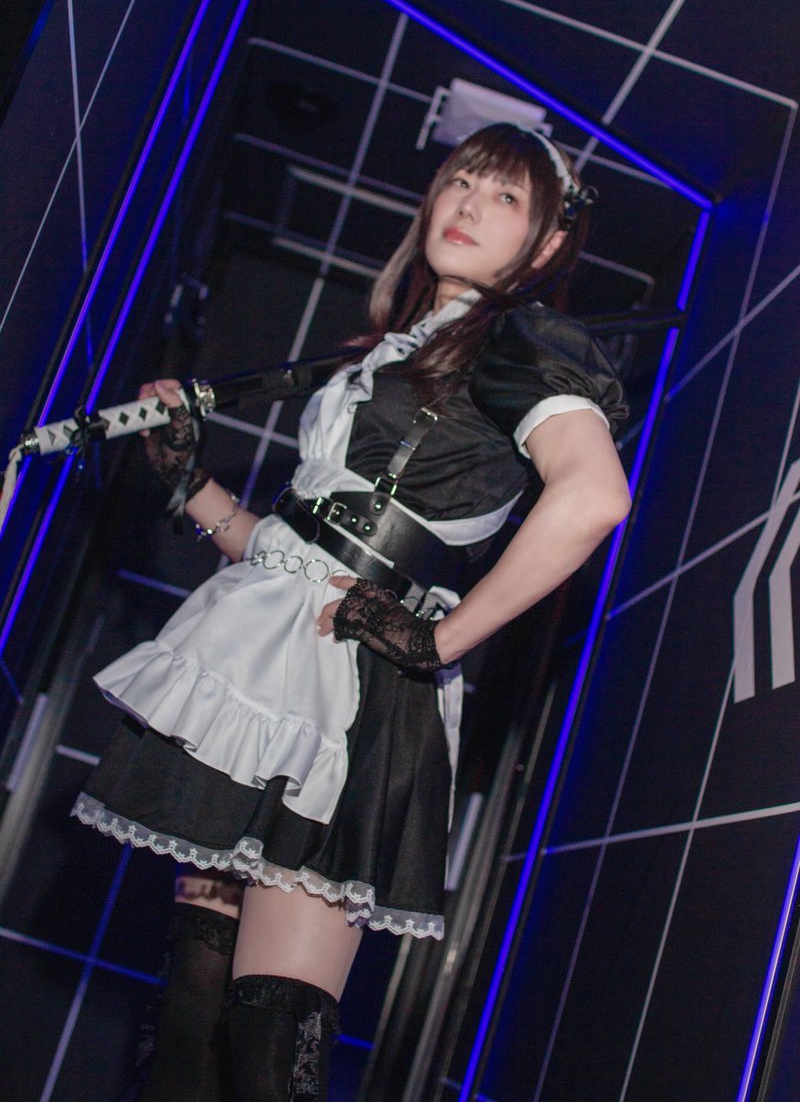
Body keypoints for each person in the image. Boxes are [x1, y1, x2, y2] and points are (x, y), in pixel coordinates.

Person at [73, 122, 631, 1101]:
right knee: (191, 1021)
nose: (468, 205)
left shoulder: (523, 343)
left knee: (266, 1048)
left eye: (505, 197)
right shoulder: (390, 350)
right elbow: (294, 551)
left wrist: (440, 638)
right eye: (460, 181)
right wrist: (190, 485)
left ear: (547, 244)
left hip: (359, 694)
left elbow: (593, 497)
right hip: (265, 663)